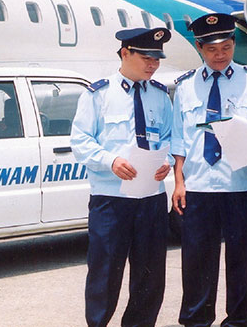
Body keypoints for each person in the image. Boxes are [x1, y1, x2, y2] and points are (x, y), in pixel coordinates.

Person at [171, 13, 247, 326]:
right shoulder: (186, 87)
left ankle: (239, 320)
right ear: (200, 48)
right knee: (197, 260)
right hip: (199, 186)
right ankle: (196, 320)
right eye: (212, 49)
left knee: (243, 259)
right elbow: (179, 141)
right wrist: (178, 182)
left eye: (226, 47)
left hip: (239, 185)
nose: (220, 54)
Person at [70, 27, 173, 327]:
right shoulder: (99, 94)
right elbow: (81, 140)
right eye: (147, 57)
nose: (153, 65)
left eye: (157, 59)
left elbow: (167, 137)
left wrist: (164, 161)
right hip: (111, 199)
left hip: (151, 198)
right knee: (105, 273)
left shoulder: (159, 96)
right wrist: (110, 160)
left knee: (150, 276)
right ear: (125, 53)